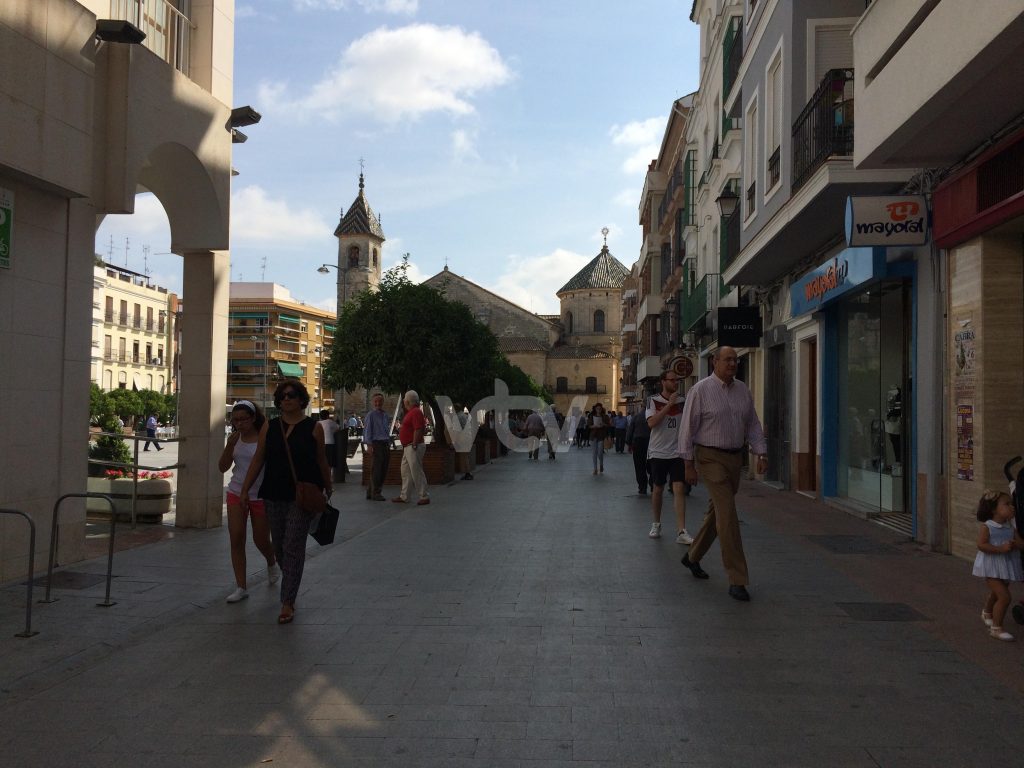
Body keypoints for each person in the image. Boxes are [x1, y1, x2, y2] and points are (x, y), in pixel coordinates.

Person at [678, 346, 767, 602]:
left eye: (735, 360)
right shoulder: (700, 390)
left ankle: (692, 556)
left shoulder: (742, 390)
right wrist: (688, 464)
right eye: (727, 360)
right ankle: (737, 579)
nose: (732, 364)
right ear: (714, 362)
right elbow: (687, 429)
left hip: (734, 459)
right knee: (728, 515)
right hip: (709, 457)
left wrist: (761, 453)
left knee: (718, 512)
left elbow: (752, 424)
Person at [240, 380, 331, 625]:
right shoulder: (270, 427)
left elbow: (321, 460)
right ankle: (289, 578)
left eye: (291, 395)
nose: (286, 399)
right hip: (273, 492)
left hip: (302, 495)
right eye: (282, 396)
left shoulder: (314, 427)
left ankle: (287, 601)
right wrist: (245, 488)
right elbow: (258, 459)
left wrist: (328, 486)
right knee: (279, 545)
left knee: (293, 545)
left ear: (301, 399)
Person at [218, 401, 279, 604]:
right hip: (236, 492)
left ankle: (271, 561)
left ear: (253, 418)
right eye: (235, 420)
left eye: (244, 419)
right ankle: (241, 586)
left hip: (260, 495)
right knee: (236, 537)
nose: (240, 424)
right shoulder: (235, 439)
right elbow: (222, 467)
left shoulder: (265, 437)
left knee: (261, 539)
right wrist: (229, 446)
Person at [646, 370, 691, 544]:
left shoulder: (683, 401)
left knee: (679, 488)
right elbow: (651, 423)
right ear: (663, 382)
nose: (675, 383)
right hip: (658, 452)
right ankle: (656, 523)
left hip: (677, 452)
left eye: (677, 380)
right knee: (658, 488)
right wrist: (668, 405)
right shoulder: (653, 400)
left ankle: (681, 530)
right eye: (672, 380)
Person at [973, 490, 1024, 641]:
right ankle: (996, 628)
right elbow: (981, 545)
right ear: (994, 509)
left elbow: (1021, 544)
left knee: (997, 593)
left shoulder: (1010, 527)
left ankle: (987, 612)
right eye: (1007, 504)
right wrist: (1000, 549)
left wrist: (1016, 544)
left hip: (1005, 566)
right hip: (991, 566)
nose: (1012, 507)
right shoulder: (988, 527)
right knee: (1005, 597)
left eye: (1011, 504)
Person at [392, 389, 430, 506]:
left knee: (416, 471)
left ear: (408, 401)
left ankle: (424, 496)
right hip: (408, 446)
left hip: (413, 446)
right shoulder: (413, 412)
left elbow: (419, 428)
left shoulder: (416, 412)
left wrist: (414, 443)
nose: (403, 401)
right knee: (406, 472)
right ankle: (405, 496)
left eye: (404, 400)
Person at [362, 393, 392, 500]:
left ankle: (370, 491)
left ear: (383, 402)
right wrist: (369, 445)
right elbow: (367, 430)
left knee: (382, 468)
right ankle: (376, 493)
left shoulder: (385, 415)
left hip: (385, 444)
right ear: (372, 402)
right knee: (377, 470)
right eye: (376, 401)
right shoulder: (371, 415)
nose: (378, 403)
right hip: (376, 444)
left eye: (380, 401)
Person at [626, 407, 652, 495]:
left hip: (638, 443)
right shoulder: (653, 416)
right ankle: (653, 483)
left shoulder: (636, 417)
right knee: (652, 464)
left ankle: (642, 487)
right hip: (651, 442)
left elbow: (630, 431)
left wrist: (629, 443)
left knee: (639, 466)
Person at [315, 409, 341, 480]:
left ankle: (321, 477)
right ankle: (328, 478)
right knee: (329, 462)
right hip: (330, 443)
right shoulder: (330, 422)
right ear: (327, 416)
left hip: (320, 444)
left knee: (321, 461)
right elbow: (338, 428)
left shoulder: (317, 423)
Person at [589, 403, 611, 475]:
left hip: (601, 436)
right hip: (593, 436)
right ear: (595, 409)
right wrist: (594, 426)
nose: (599, 410)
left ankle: (601, 464)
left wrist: (604, 424)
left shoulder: (605, 416)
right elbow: (589, 425)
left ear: (602, 409)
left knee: (600, 453)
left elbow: (609, 425)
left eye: (600, 408)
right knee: (594, 453)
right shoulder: (592, 416)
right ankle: (595, 469)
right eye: (597, 408)